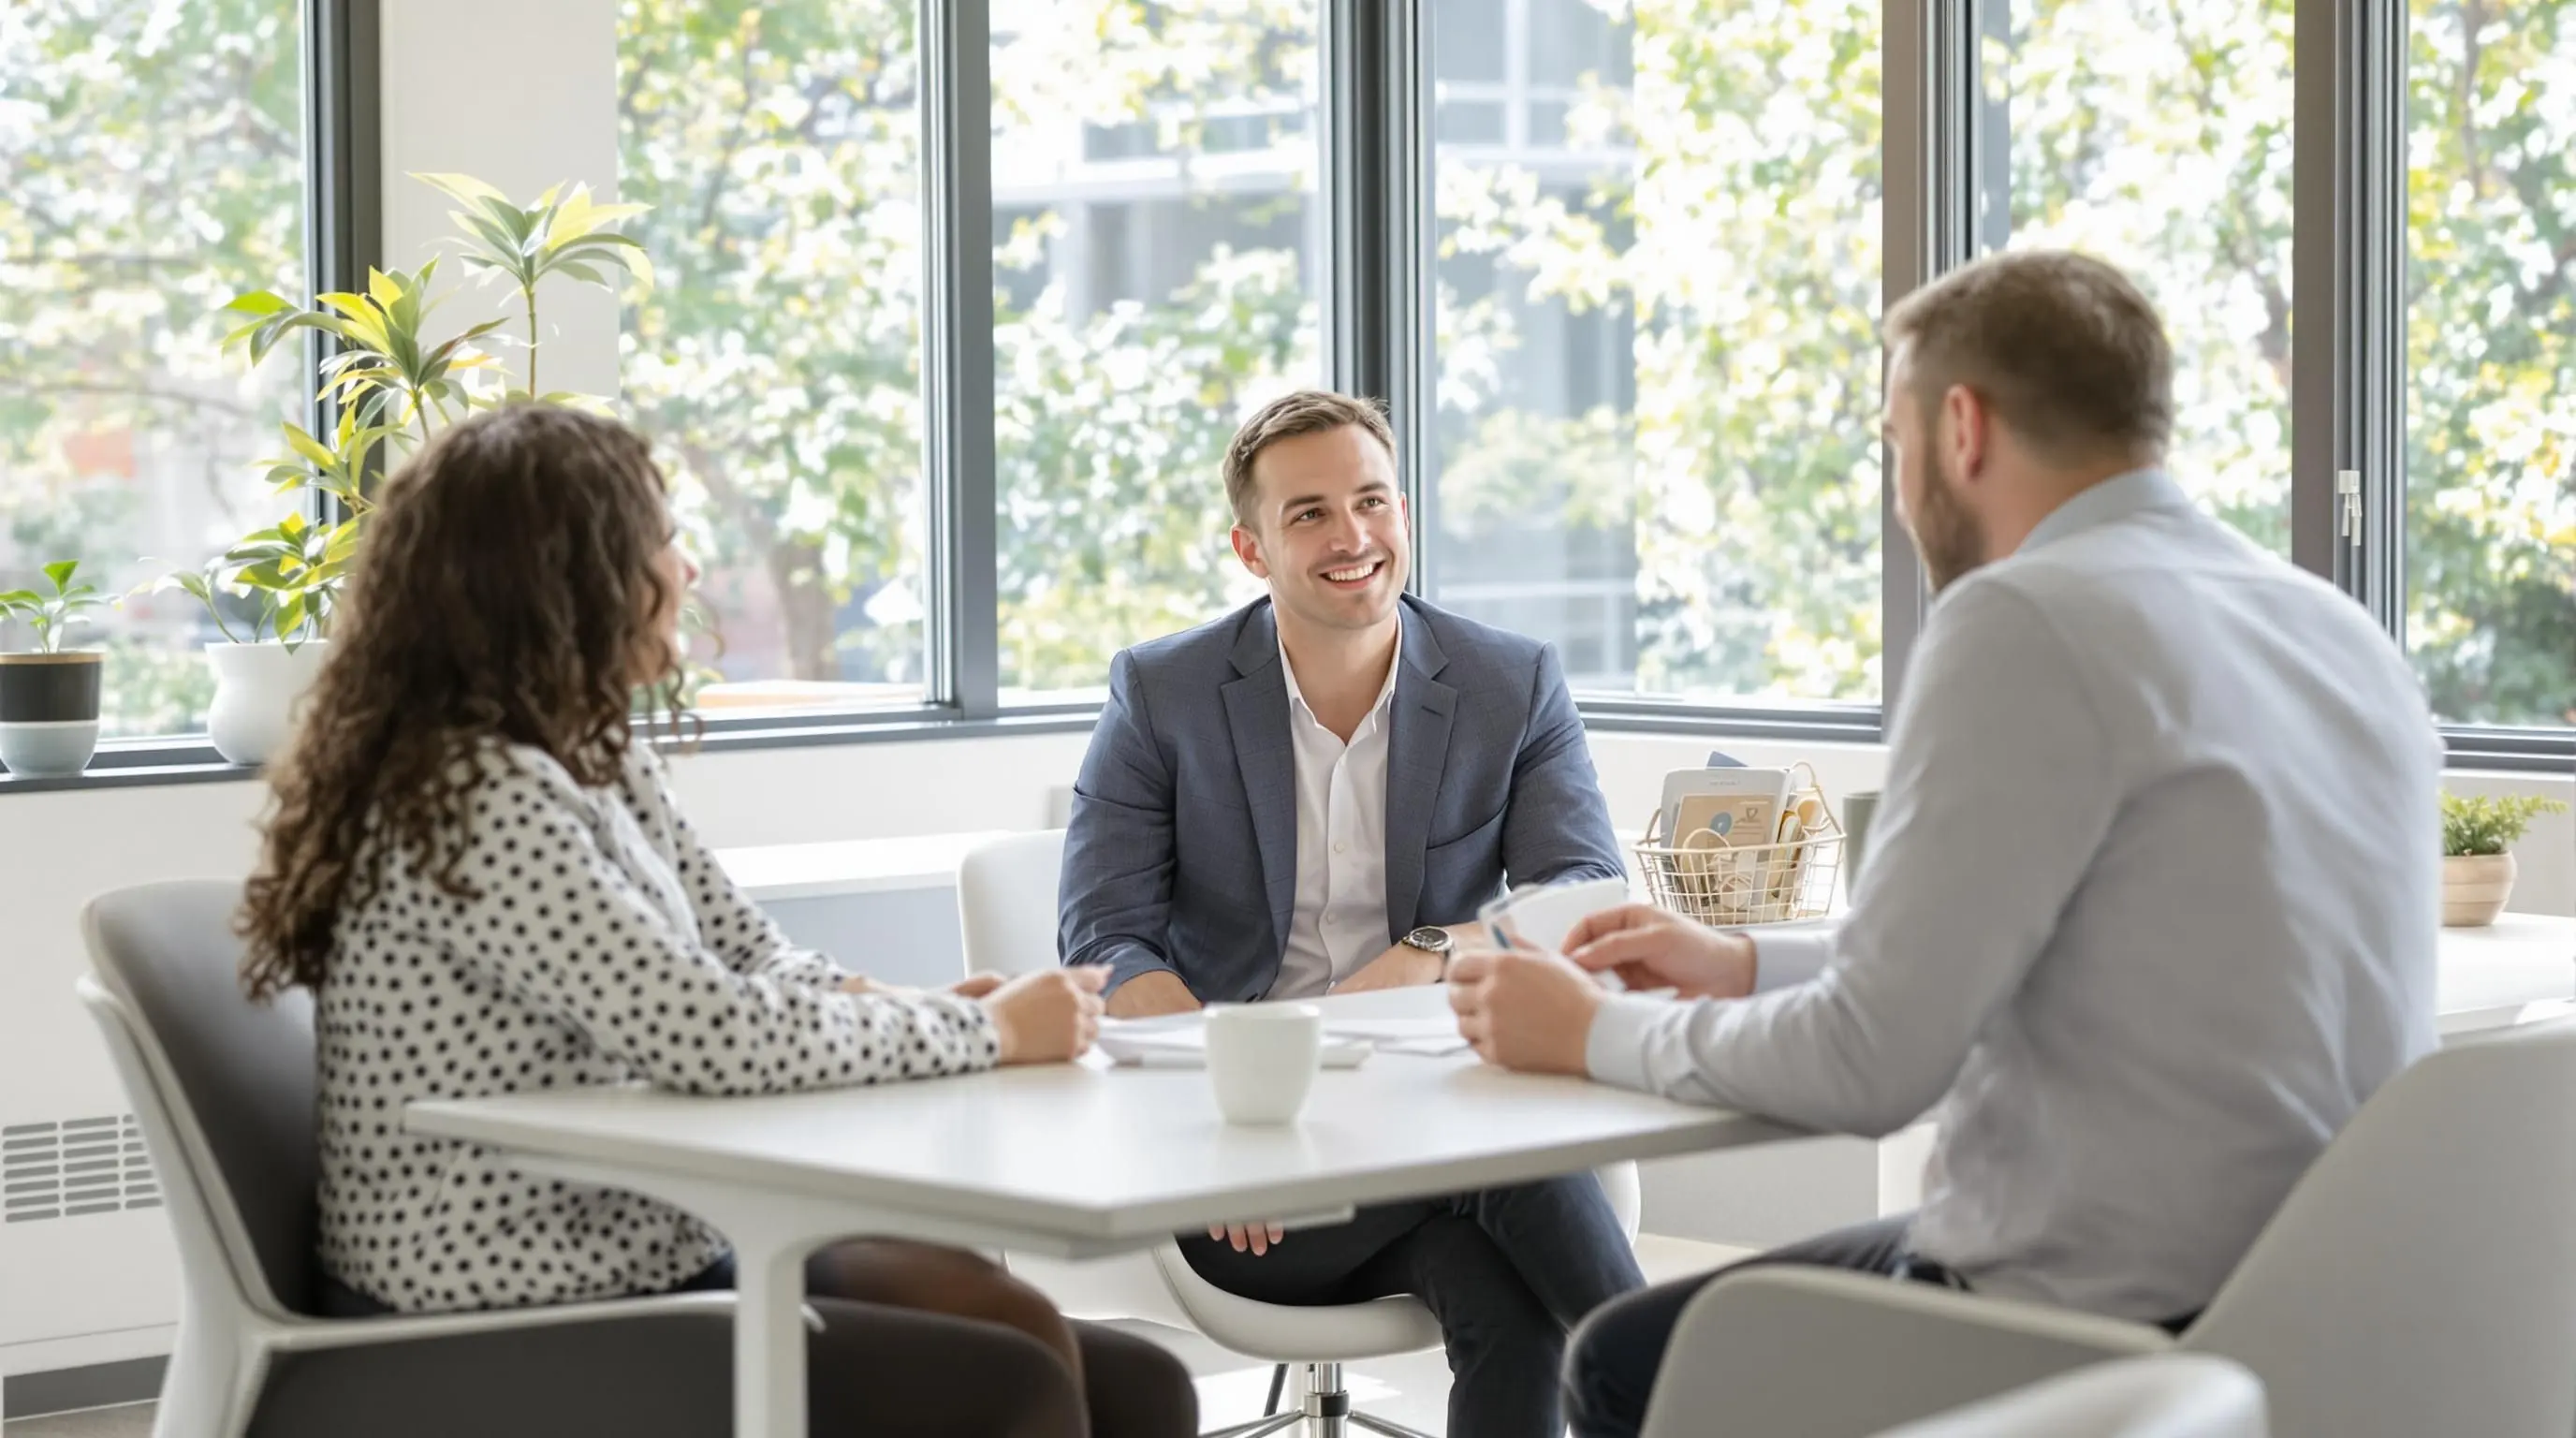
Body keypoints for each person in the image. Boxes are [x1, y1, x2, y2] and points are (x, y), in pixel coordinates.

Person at [1443, 251, 2443, 1438]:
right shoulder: (2330, 626)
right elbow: (2061, 944)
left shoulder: (2024, 616)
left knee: (1626, 1358)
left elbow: (1871, 1067)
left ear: (1960, 427)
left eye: (1893, 440)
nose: (1899, 483)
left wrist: (1589, 1030)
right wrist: (1746, 964)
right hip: (2337, 1307)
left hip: (2102, 1318)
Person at [235, 404, 1195, 1438]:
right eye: (661, 541)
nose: (686, 573)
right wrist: (990, 1032)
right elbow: (705, 1030)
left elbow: (747, 953)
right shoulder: (473, 792)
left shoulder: (589, 753)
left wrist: (904, 1004)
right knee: (1011, 1387)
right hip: (517, 1302)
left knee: (1131, 1381)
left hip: (650, 1247)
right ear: (563, 579)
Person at [1058, 388, 1644, 1438]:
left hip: (1430, 1114)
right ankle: (1688, 1395)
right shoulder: (1162, 693)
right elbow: (1104, 938)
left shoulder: (1510, 684)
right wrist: (1232, 1117)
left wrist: (1427, 951)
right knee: (1512, 1174)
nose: (1351, 537)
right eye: (1309, 514)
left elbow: (1579, 899)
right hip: (1248, 1179)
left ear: (1406, 514)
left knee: (1507, 1303)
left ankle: (1677, 1395)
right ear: (1251, 549)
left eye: (1372, 502)